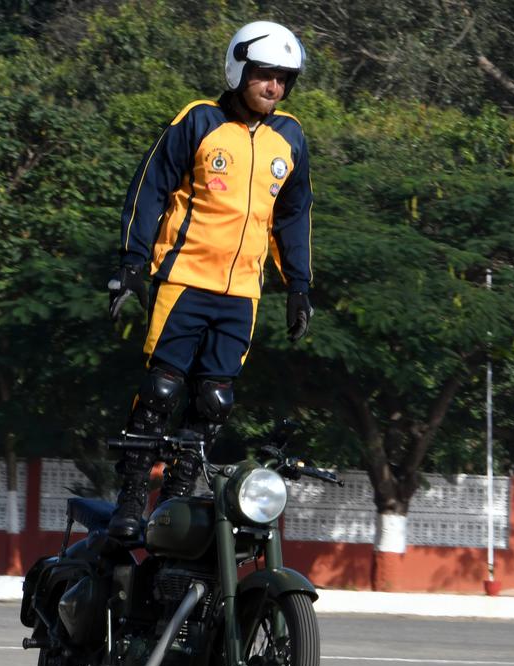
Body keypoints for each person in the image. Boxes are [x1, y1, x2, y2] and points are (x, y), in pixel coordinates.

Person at [106, 20, 314, 538]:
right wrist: (133, 265)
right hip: (184, 280)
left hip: (243, 293)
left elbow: (293, 215)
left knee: (214, 400)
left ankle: (174, 501)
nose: (275, 88)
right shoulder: (199, 121)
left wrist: (299, 286)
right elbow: (149, 189)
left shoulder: (289, 137)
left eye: (284, 79)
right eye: (266, 75)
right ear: (239, 69)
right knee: (160, 390)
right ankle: (132, 496)